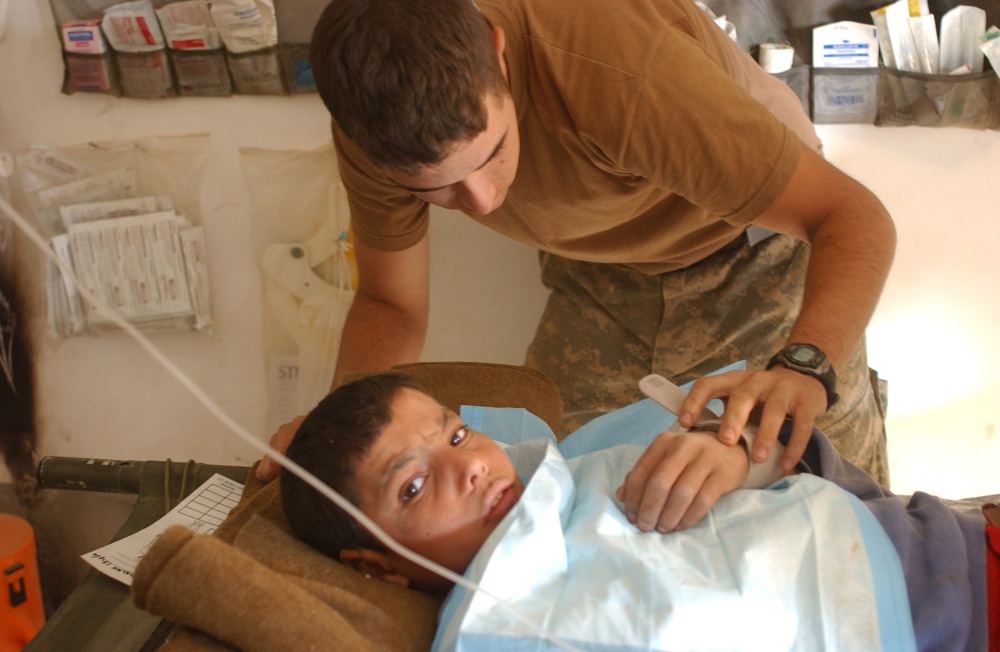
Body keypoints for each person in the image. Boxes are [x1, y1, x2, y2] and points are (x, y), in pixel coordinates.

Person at [258, 0, 897, 486]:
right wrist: (337, 431)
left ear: (500, 54)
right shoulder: (376, 130)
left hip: (758, 245)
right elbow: (391, 306)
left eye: (494, 152)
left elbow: (853, 216)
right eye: (440, 190)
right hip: (600, 266)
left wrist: (806, 370)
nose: (481, 201)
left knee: (821, 471)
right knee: (564, 473)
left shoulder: (612, 65)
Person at [281, 373, 997, 651]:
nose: (468, 465)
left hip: (940, 553)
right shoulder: (497, 633)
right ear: (375, 566)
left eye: (458, 433)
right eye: (412, 487)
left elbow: (789, 447)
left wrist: (733, 451)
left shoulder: (582, 456)